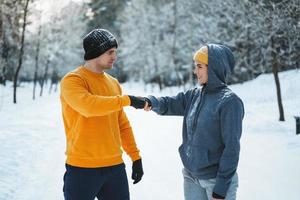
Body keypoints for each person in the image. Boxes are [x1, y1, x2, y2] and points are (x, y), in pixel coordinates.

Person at [143, 44, 244, 200]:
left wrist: (221, 188)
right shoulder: (194, 95)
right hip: (191, 176)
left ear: (214, 67)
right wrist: (151, 101)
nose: (195, 71)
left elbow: (232, 148)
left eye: (199, 66)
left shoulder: (229, 102)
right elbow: (170, 103)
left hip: (215, 181)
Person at [60, 28, 146, 200]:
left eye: (115, 52)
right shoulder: (73, 80)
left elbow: (121, 124)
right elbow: (89, 107)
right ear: (96, 52)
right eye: (110, 52)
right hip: (81, 169)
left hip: (115, 168)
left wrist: (136, 157)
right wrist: (127, 100)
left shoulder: (113, 83)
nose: (115, 57)